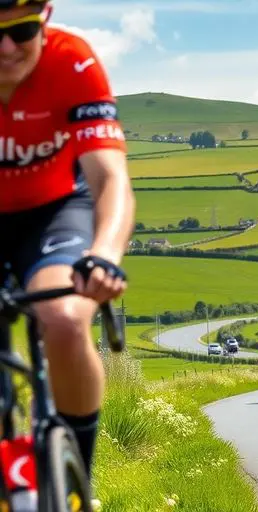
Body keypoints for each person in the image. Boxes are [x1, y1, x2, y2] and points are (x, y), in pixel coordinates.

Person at [0, 0, 135, 479]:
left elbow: (110, 179)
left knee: (63, 317)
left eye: (20, 29)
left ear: (46, 17)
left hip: (55, 209)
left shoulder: (72, 61)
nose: (5, 47)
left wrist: (104, 254)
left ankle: (75, 475)